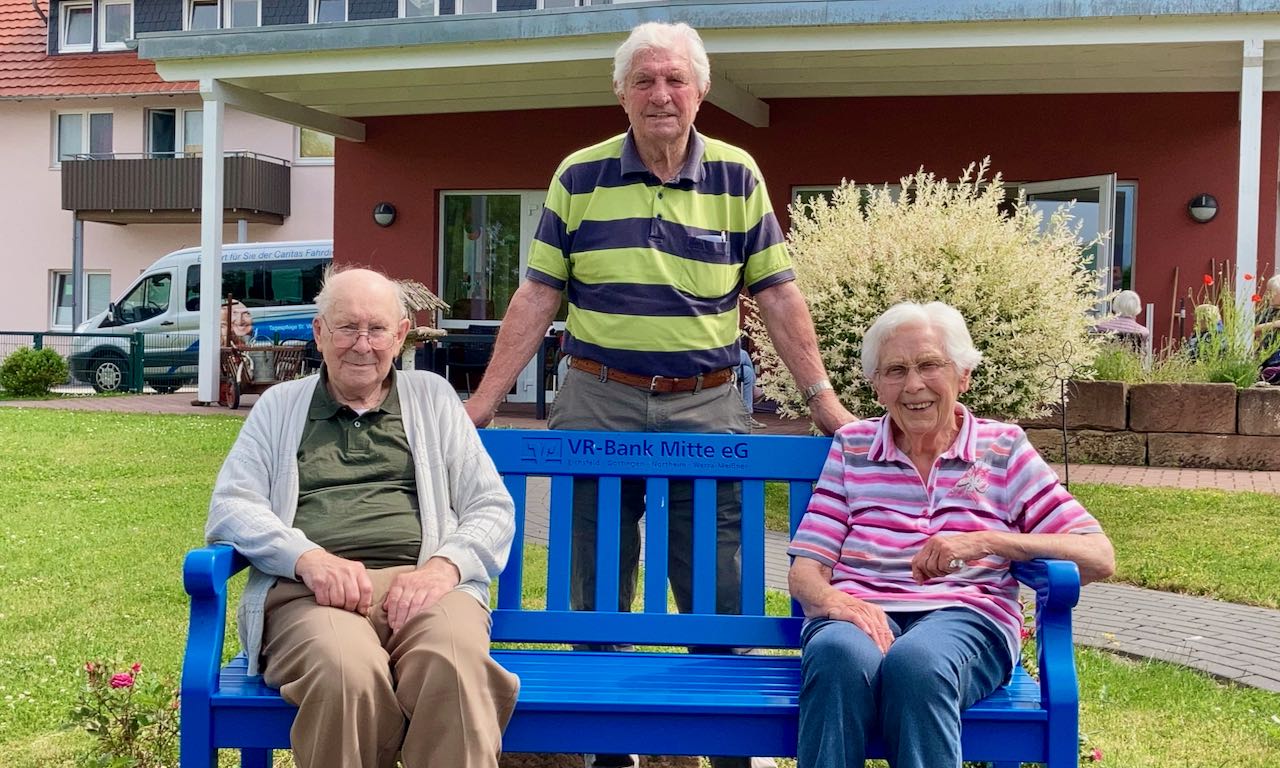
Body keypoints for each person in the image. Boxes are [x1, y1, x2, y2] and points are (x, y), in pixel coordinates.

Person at [463, 21, 854, 768]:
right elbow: (539, 294)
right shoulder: (578, 176)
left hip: (707, 403)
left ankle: (730, 753)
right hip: (596, 394)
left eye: (675, 79)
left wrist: (821, 399)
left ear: (701, 91)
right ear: (621, 93)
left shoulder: (739, 176)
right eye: (643, 80)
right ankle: (608, 749)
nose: (660, 94)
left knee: (718, 580)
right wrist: (482, 400)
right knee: (592, 577)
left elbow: (777, 296)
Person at [206, 267, 520, 768]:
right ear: (319, 332)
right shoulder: (280, 407)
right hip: (312, 596)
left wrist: (444, 568)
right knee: (344, 671)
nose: (362, 344)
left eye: (377, 330)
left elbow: (491, 506)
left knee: (456, 667)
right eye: (347, 327)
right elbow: (231, 506)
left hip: (426, 587)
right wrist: (307, 559)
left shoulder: (433, 399)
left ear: (399, 336)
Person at [787, 301, 1115, 768]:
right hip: (860, 613)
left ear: (962, 375)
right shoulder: (853, 447)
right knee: (837, 654)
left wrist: (989, 541)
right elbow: (806, 572)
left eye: (929, 366)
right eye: (895, 370)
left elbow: (1098, 555)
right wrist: (840, 605)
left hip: (968, 617)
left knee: (918, 664)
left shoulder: (1001, 448)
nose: (914, 385)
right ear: (877, 387)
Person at [1255, 275, 1280, 382]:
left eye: (1272, 292)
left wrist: (1262, 326)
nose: (1268, 295)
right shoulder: (1267, 311)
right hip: (1266, 351)